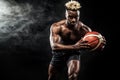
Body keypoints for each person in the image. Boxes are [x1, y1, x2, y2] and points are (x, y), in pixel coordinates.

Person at [48, 1, 101, 80]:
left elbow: (90, 45)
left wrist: (99, 44)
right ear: (65, 15)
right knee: (52, 77)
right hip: (59, 53)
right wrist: (75, 46)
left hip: (73, 53)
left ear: (79, 16)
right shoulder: (57, 27)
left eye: (76, 17)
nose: (73, 20)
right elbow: (54, 46)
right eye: (70, 17)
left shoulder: (85, 30)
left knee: (73, 76)